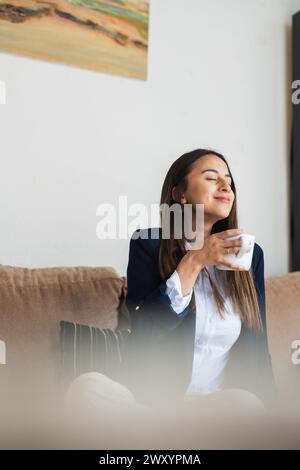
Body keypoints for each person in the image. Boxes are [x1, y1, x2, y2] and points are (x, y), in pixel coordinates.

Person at [65, 148, 277, 429]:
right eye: (212, 178)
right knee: (86, 388)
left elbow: (257, 346)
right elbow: (145, 333)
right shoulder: (148, 244)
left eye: (229, 180)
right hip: (150, 401)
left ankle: (162, 434)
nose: (226, 186)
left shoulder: (251, 255)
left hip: (213, 407)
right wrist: (196, 260)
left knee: (249, 407)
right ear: (180, 194)